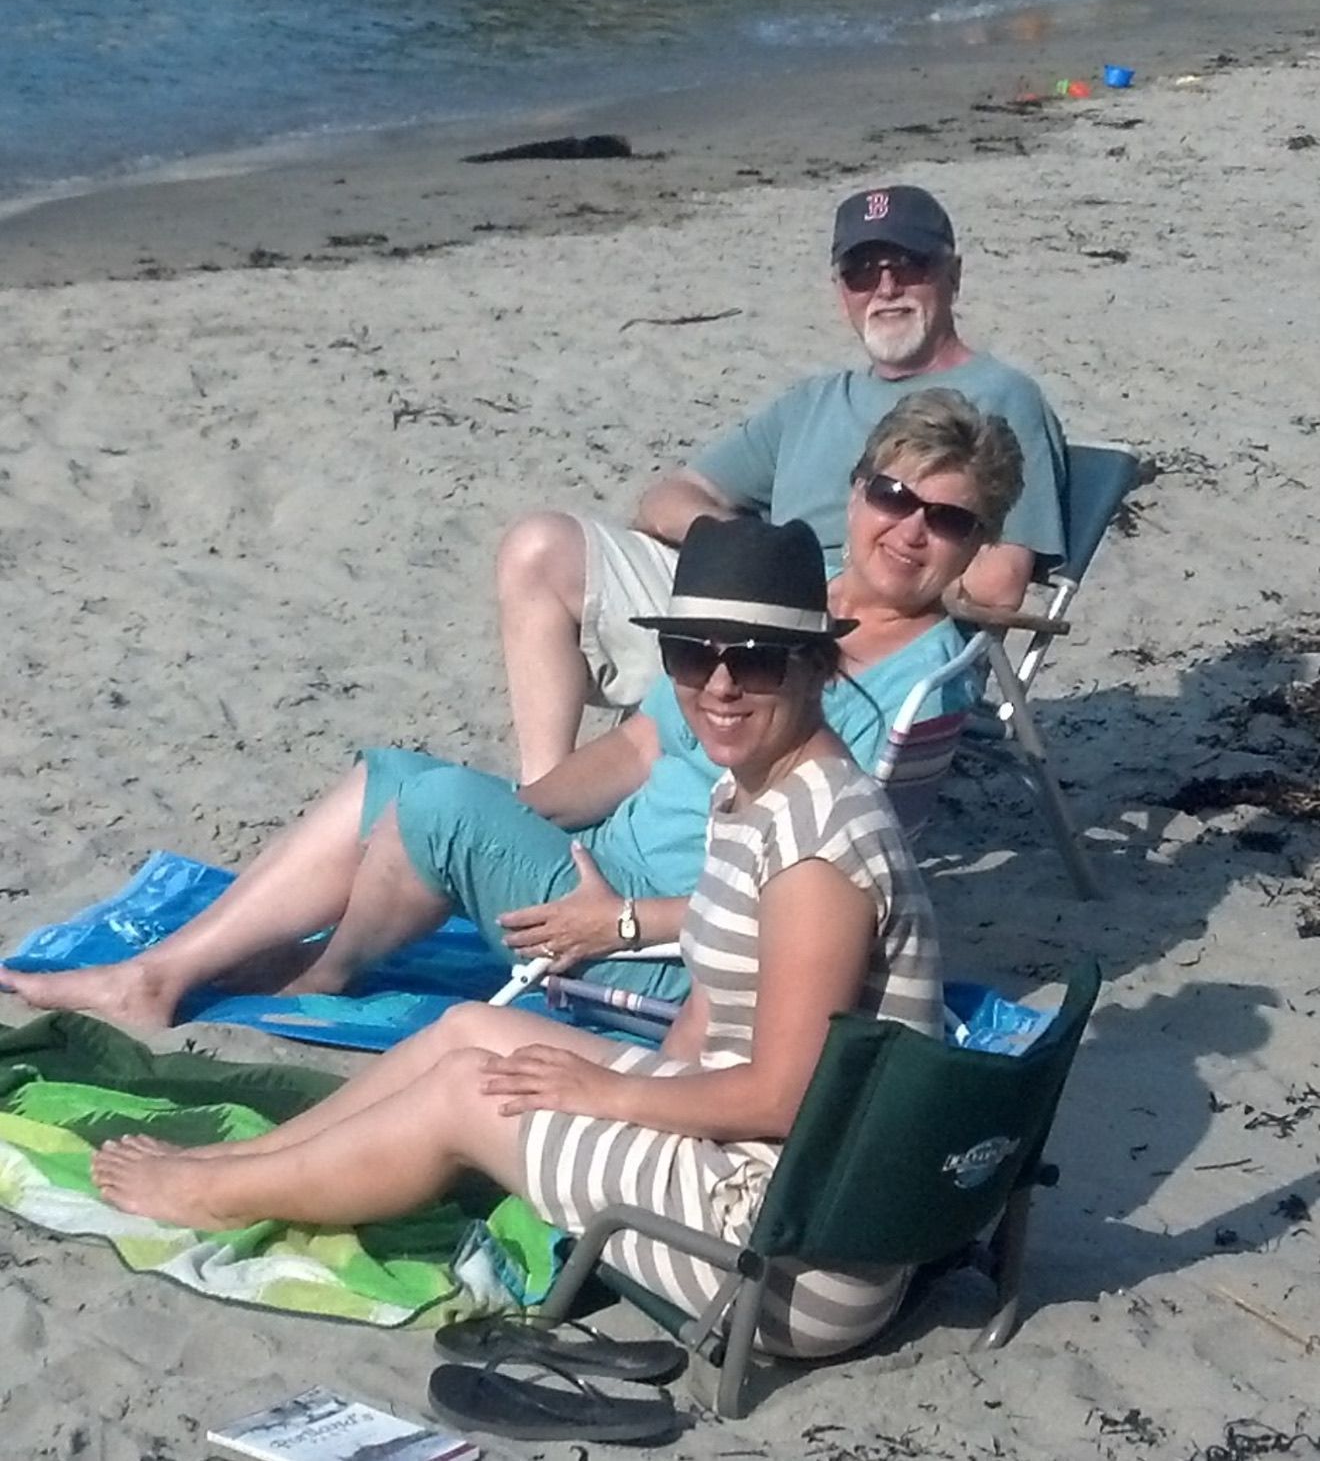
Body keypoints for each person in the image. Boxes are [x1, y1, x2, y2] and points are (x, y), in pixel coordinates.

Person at [89, 516, 943, 1364]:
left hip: (793, 1254)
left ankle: (220, 1195)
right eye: (691, 653)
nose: (718, 686)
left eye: (754, 660)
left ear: (817, 665)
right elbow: (709, 1021)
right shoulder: (754, 793)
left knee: (469, 1094)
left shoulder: (815, 848)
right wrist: (626, 1097)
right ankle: (245, 1162)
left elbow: (787, 1097)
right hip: (764, 1167)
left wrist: (608, 1094)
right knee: (466, 1031)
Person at [0, 391, 1021, 1032]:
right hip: (604, 871)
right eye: (895, 496)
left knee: (439, 808)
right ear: (857, 493)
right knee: (403, 780)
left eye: (947, 518)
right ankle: (176, 968)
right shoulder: (787, 600)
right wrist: (516, 816)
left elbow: (829, 891)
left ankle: (316, 973)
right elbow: (637, 745)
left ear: (978, 543)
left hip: (668, 950)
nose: (909, 529)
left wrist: (618, 916)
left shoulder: (922, 680)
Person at [497, 184, 1066, 782]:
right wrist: (748, 554)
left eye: (908, 266)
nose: (886, 288)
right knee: (539, 548)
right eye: (862, 273)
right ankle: (545, 791)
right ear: (841, 291)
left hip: (855, 627)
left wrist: (849, 584)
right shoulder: (813, 401)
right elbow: (666, 498)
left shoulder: (1000, 400)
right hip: (740, 591)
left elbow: (999, 583)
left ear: (953, 274)